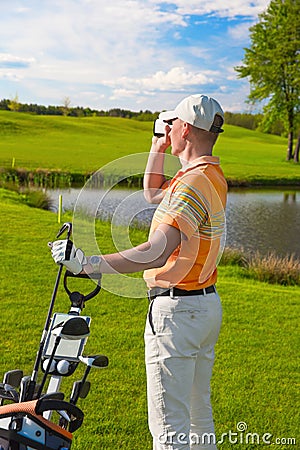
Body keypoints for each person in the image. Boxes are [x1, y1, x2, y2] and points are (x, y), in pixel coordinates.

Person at [51, 94, 227, 449]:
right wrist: (157, 143)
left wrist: (90, 265)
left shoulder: (193, 184)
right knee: (197, 416)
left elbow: (156, 251)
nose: (169, 128)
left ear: (187, 129)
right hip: (202, 307)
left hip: (178, 314)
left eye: (173, 124)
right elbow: (150, 194)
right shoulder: (206, 175)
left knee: (169, 427)